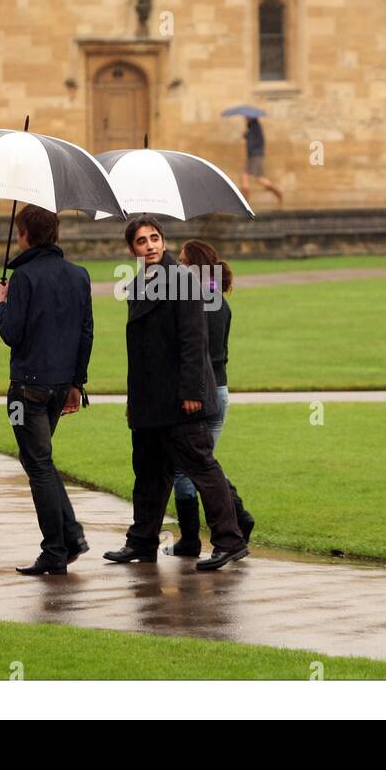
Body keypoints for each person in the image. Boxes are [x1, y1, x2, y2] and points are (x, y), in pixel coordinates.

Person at [102, 216, 250, 571]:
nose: (150, 245)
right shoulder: (138, 284)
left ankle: (229, 541)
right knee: (149, 475)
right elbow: (139, 351)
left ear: (163, 241)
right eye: (141, 241)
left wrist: (192, 392)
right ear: (132, 249)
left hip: (179, 400)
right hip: (149, 402)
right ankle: (141, 541)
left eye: (154, 238)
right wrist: (133, 402)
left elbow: (193, 341)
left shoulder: (183, 279)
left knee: (201, 467)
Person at [0, 205, 93, 575]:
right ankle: (71, 536)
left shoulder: (25, 278)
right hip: (59, 386)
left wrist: (0, 304)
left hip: (28, 389)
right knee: (40, 461)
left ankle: (56, 549)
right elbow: (86, 334)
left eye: (20, 232)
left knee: (38, 465)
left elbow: (11, 333)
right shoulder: (79, 276)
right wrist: (77, 383)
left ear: (26, 235)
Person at [163, 239, 255, 557]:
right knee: (205, 462)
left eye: (185, 262)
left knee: (186, 467)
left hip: (200, 393)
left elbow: (190, 352)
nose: (179, 267)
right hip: (219, 391)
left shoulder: (195, 302)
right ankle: (241, 517)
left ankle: (191, 539)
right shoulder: (218, 300)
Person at [241, 116, 283, 204]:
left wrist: (247, 135)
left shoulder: (255, 127)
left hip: (256, 155)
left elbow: (255, 143)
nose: (244, 118)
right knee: (244, 177)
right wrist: (247, 135)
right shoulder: (251, 127)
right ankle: (245, 202)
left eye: (246, 117)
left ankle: (277, 191)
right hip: (251, 156)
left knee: (260, 179)